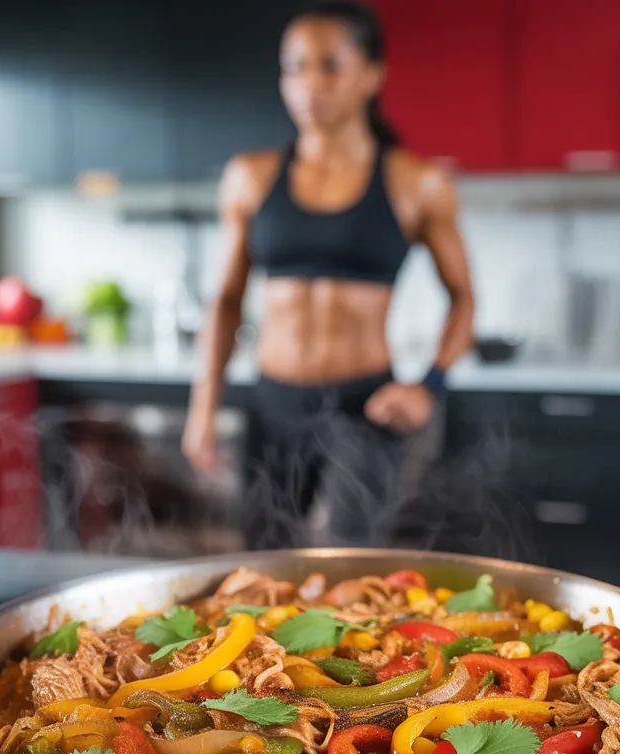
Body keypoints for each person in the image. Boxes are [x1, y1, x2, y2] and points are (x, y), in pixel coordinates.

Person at [182, 1, 474, 548]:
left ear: (371, 75)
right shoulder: (250, 176)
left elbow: (463, 299)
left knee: (349, 564)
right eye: (294, 67)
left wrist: (430, 386)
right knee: (265, 567)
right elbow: (224, 300)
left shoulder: (419, 183)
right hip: (272, 404)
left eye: (329, 65)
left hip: (365, 407)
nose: (308, 84)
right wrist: (203, 408)